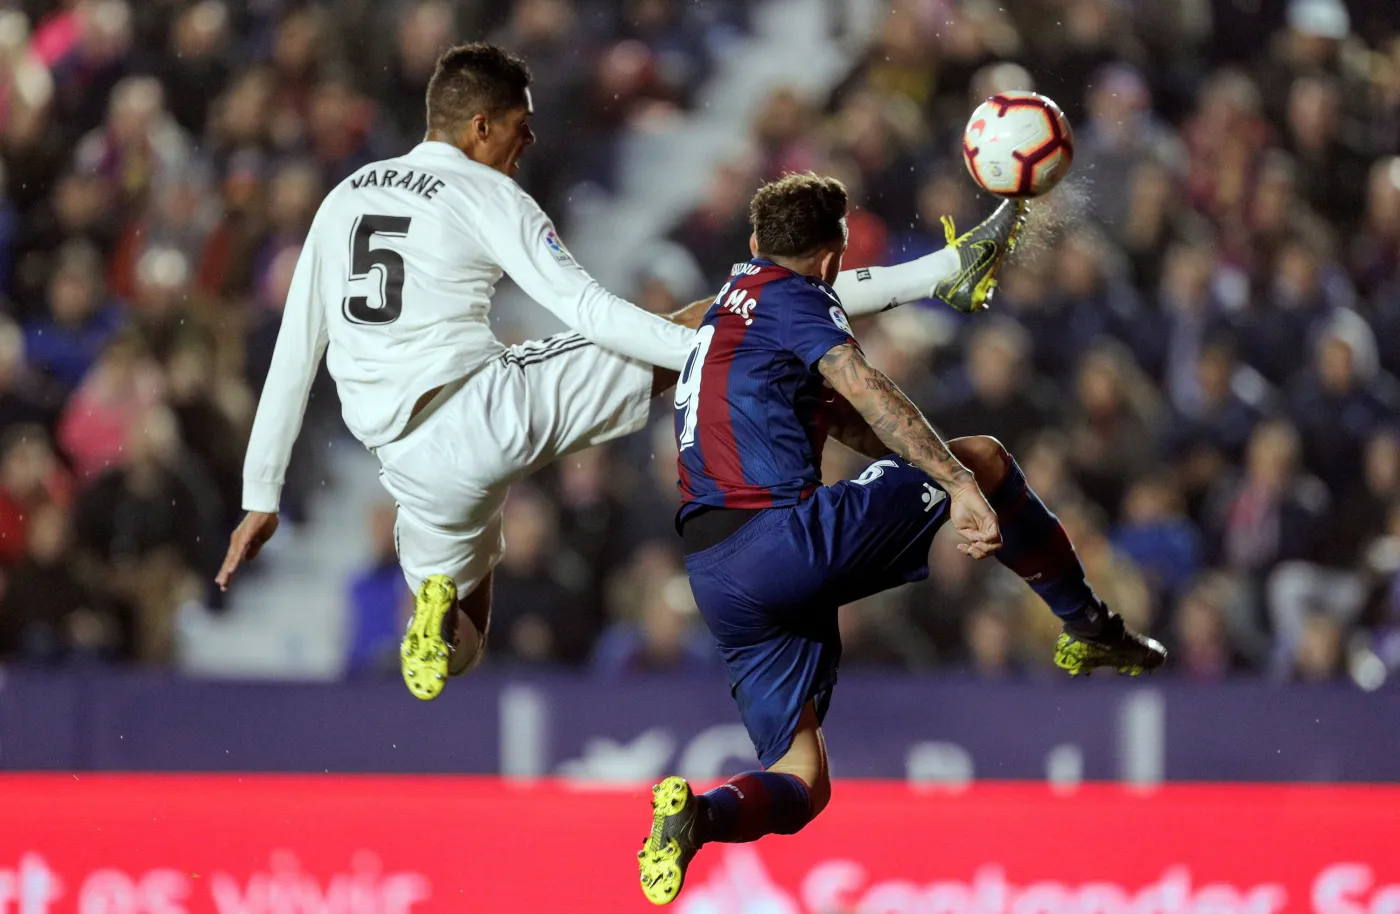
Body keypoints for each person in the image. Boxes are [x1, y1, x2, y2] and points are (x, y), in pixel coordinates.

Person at [216, 43, 1025, 702]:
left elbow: (295, 352)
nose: (529, 144)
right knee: (741, 307)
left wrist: (260, 496)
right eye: (520, 128)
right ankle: (941, 272)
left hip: (406, 464)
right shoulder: (486, 195)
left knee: (461, 643)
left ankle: (432, 615)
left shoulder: (342, 198)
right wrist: (705, 352)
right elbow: (588, 308)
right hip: (487, 405)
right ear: (480, 124)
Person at [636, 174, 1165, 906]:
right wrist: (954, 481)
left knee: (802, 779)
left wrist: (923, 467)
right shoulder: (798, 298)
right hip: (783, 538)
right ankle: (1089, 626)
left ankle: (698, 817)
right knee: (983, 460)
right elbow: (863, 385)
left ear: (756, 242)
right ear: (832, 257)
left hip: (715, 576)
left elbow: (845, 418)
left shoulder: (728, 305)